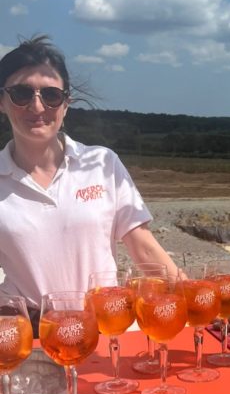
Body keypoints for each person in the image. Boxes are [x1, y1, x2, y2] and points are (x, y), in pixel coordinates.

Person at [0, 35, 179, 334]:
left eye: (51, 95)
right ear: (2, 102)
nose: (37, 105)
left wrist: (192, 301)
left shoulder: (102, 164)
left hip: (106, 323)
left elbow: (144, 249)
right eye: (21, 93)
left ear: (66, 104)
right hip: (29, 332)